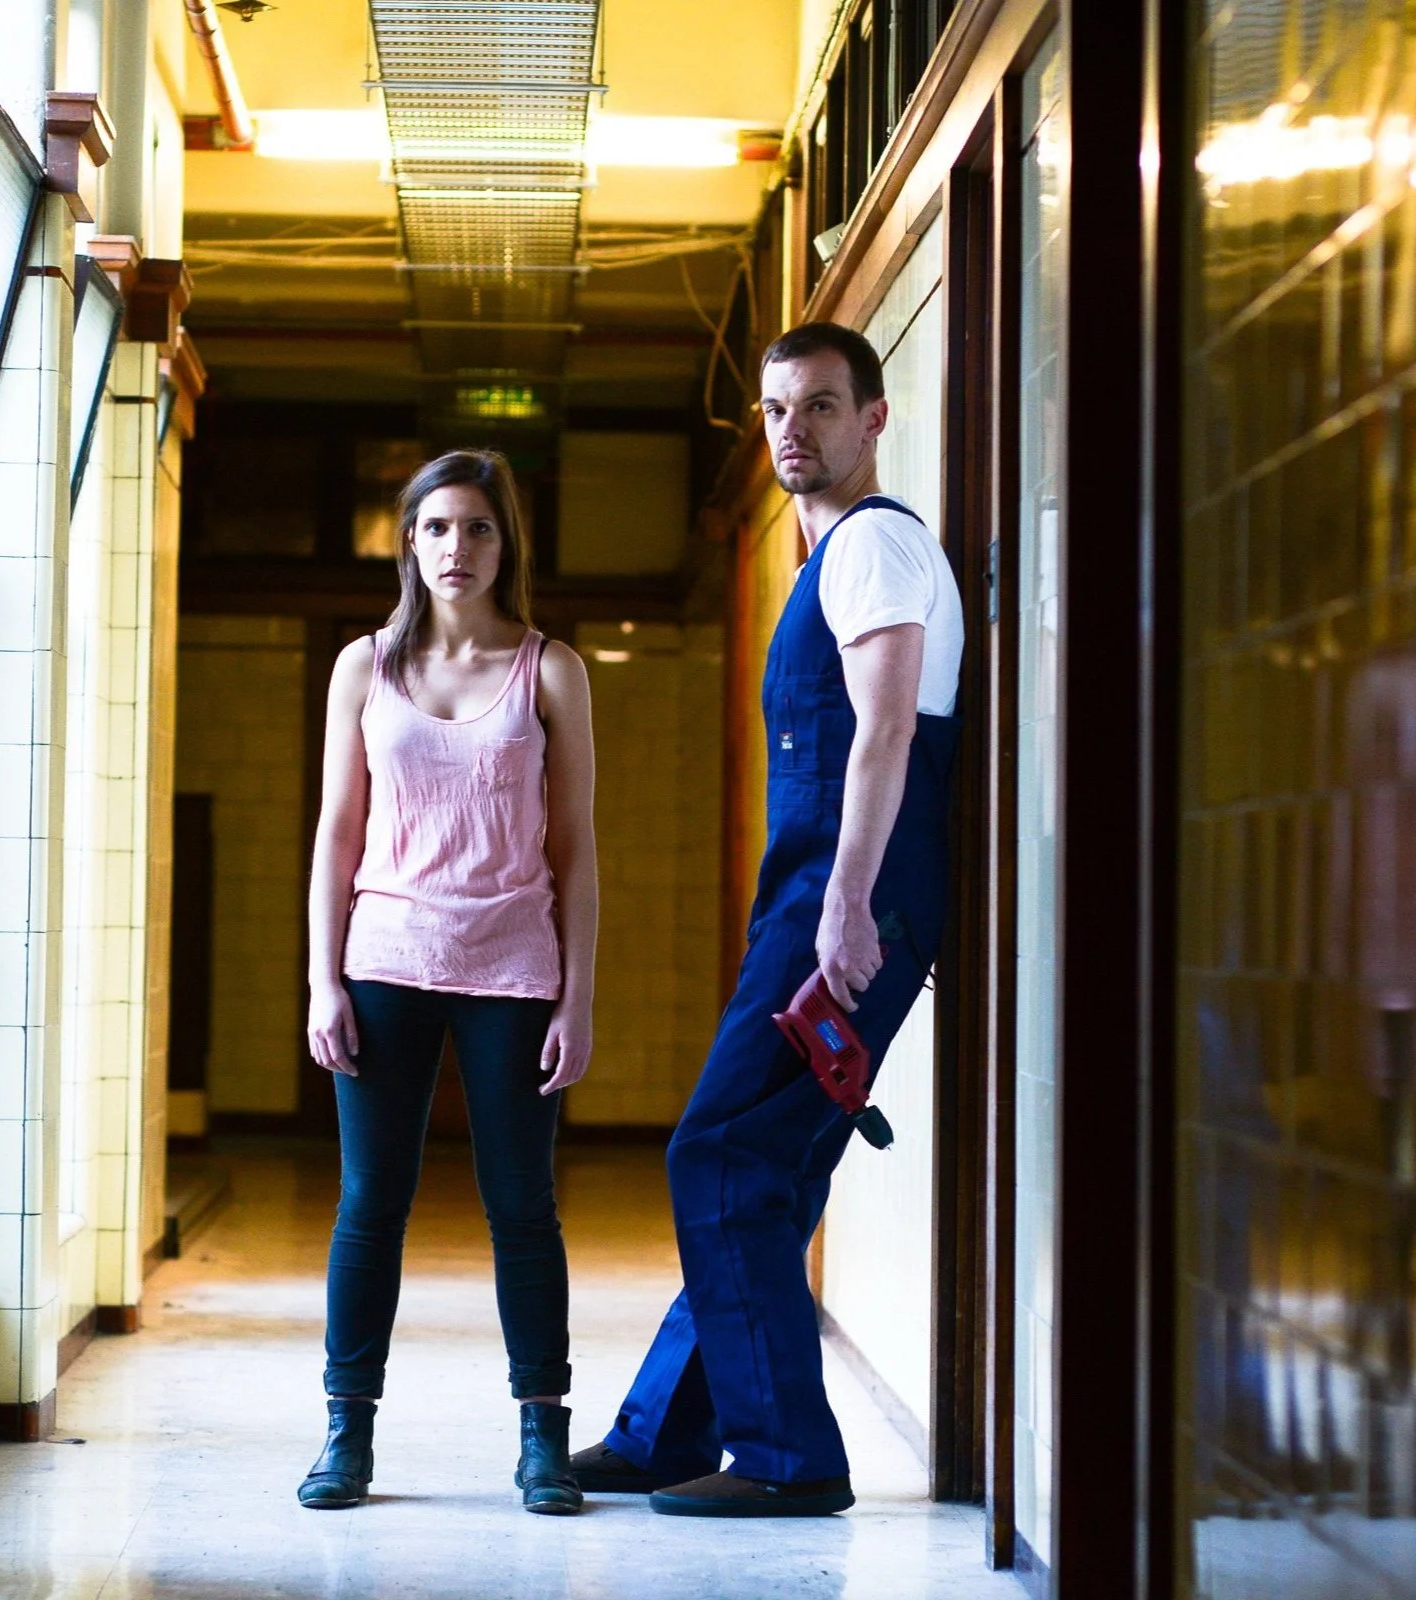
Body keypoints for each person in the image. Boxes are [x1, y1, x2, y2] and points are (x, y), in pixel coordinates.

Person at [569, 322, 963, 1515]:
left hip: (846, 902)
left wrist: (845, 909)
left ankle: (791, 1459)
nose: (795, 430)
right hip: (822, 897)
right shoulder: (830, 554)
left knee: (722, 1152)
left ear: (874, 419)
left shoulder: (874, 547)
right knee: (767, 1168)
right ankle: (666, 1430)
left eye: (822, 406)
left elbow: (887, 732)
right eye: (778, 410)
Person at [297, 448, 599, 1515]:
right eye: (435, 527)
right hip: (385, 958)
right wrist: (323, 980)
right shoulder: (364, 667)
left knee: (522, 1205)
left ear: (505, 543)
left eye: (477, 527)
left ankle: (542, 1436)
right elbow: (337, 833)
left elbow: (576, 848)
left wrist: (578, 996)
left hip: (513, 963)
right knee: (370, 1203)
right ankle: (347, 1433)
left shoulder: (550, 670)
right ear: (408, 542)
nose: (455, 547)